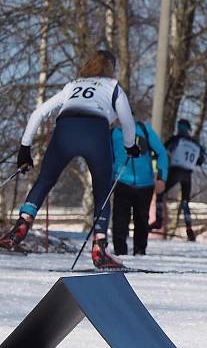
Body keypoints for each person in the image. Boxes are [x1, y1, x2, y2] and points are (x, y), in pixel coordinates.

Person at [0, 49, 138, 269]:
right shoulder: (113, 87)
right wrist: (131, 147)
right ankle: (99, 249)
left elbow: (38, 113)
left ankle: (19, 230)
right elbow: (128, 123)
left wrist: (25, 149)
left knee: (45, 180)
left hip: (65, 130)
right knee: (102, 189)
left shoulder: (72, 85)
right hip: (95, 133)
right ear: (112, 68)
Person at [111, 120, 168, 256]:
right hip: (121, 182)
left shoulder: (144, 129)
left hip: (145, 184)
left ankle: (140, 251)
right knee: (120, 221)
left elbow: (161, 153)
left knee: (142, 220)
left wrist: (161, 178)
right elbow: (107, 156)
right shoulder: (114, 133)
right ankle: (120, 253)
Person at [150, 118, 205, 241]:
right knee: (185, 201)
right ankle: (189, 227)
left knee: (160, 192)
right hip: (188, 173)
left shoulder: (176, 139)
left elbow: (163, 150)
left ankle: (158, 220)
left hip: (176, 170)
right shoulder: (195, 144)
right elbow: (201, 160)